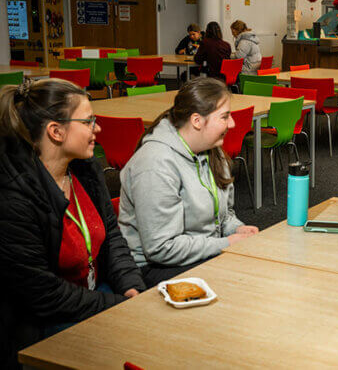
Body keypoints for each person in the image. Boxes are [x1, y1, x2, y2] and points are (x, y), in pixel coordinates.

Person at [0, 79, 145, 369]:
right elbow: (44, 295)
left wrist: (132, 287)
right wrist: (118, 307)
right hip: (39, 322)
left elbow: (112, 236)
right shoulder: (13, 198)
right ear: (56, 131)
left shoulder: (83, 167)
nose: (98, 129)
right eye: (89, 121)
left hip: (92, 295)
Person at [118, 78, 259, 288]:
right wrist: (227, 243)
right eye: (224, 117)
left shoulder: (212, 151)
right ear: (197, 121)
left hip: (200, 253)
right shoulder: (155, 163)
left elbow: (224, 215)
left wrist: (237, 230)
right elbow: (161, 248)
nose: (232, 124)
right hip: (155, 268)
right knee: (242, 285)